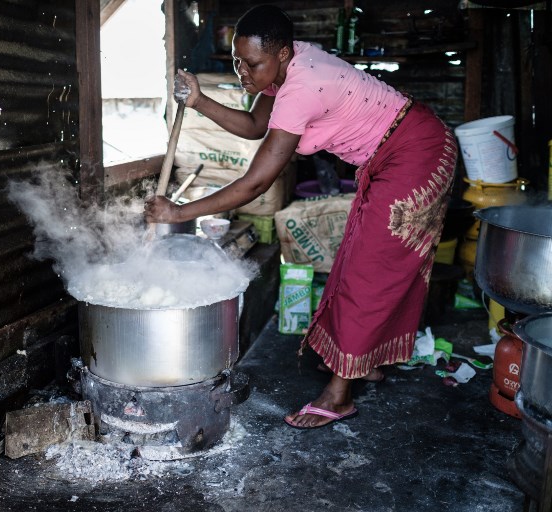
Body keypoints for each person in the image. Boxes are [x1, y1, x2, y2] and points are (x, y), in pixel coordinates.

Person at [144, 4, 457, 429]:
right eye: (237, 61)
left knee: (371, 270)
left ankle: (339, 395)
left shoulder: (301, 87)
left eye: (252, 64)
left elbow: (256, 183)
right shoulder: (285, 67)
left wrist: (179, 211)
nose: (243, 73)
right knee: (356, 259)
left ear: (282, 54)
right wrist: (199, 100)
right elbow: (255, 125)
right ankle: (360, 360)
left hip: (417, 153)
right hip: (391, 154)